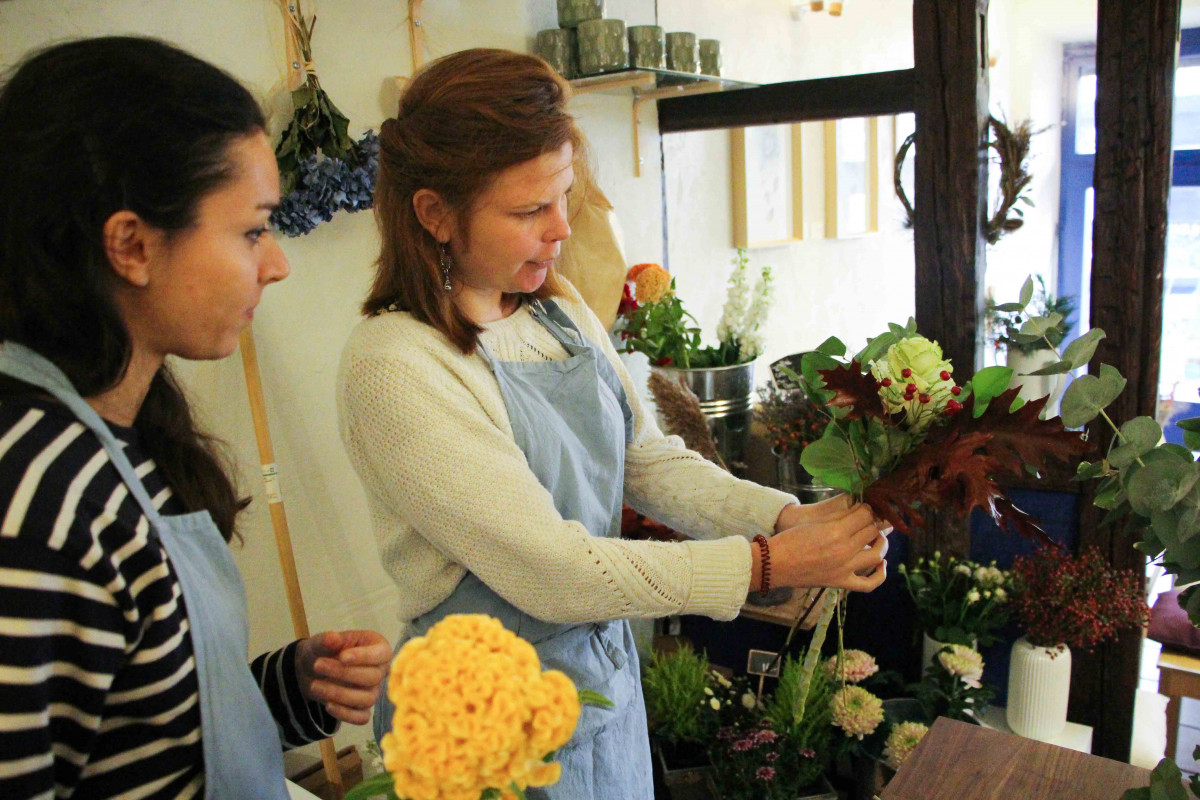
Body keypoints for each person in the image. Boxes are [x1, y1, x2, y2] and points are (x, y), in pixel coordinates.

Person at [337, 48, 889, 799]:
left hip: (596, 685)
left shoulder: (559, 313)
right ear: (435, 214)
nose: (561, 229)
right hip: (480, 727)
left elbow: (648, 463)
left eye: (565, 195)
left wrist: (785, 514)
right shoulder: (396, 364)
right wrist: (769, 566)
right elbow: (553, 571)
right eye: (529, 210)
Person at [0, 37, 390, 799]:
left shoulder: (131, 434)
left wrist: (288, 688)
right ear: (132, 245)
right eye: (251, 231)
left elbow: (143, 735)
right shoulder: (36, 491)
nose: (275, 264)